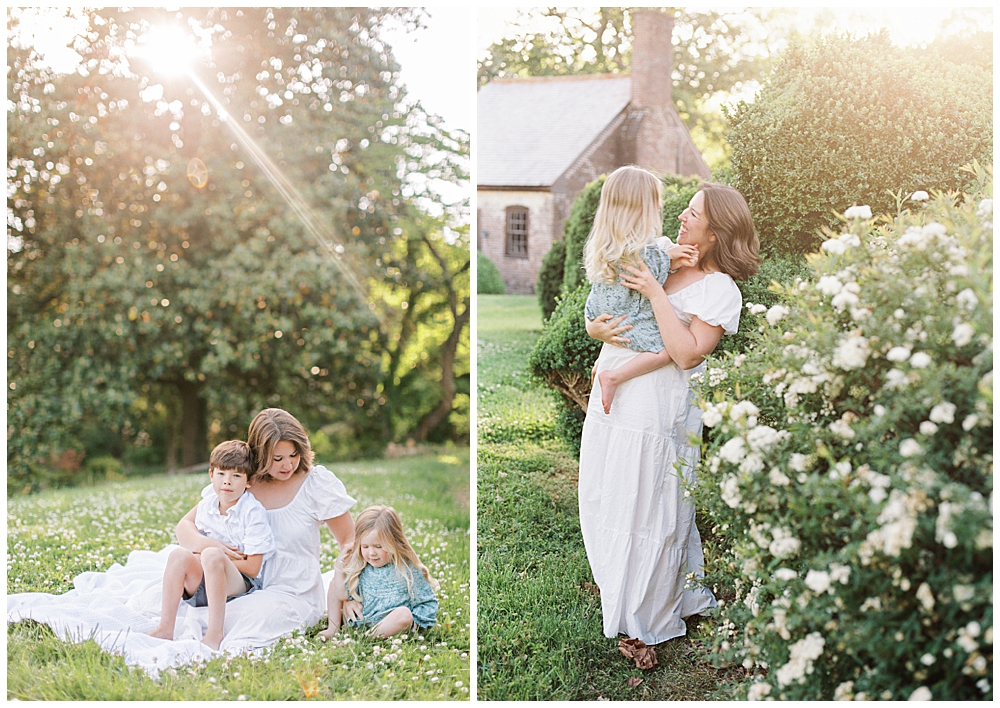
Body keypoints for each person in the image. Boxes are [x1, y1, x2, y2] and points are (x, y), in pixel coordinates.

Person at [8, 407, 358, 675]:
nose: (286, 464)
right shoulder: (241, 481)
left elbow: (349, 542)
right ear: (258, 454)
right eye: (276, 457)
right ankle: (168, 624)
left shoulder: (315, 482)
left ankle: (211, 630)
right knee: (166, 581)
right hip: (238, 577)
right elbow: (185, 526)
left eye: (293, 455)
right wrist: (211, 545)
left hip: (288, 588)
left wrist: (350, 591)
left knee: (253, 620)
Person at [580, 182, 760, 646]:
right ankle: (616, 585)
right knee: (609, 492)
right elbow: (606, 300)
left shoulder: (720, 290)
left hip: (656, 407)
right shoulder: (659, 252)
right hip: (613, 397)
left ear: (716, 232)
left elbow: (685, 355)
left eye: (694, 214)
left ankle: (649, 612)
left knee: (650, 503)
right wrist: (593, 327)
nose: (681, 217)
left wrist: (657, 295)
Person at [582, 166, 699, 413]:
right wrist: (671, 259)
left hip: (602, 313)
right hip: (626, 318)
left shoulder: (609, 243)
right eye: (655, 199)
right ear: (641, 207)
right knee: (668, 350)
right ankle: (613, 376)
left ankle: (606, 367)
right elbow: (649, 276)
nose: (660, 205)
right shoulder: (640, 249)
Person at [148, 440, 275, 650]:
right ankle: (165, 628)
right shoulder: (207, 504)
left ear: (249, 481)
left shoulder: (252, 512)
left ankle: (215, 634)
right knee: (178, 555)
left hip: (239, 583)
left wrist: (214, 556)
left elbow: (253, 568)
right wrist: (206, 552)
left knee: (212, 556)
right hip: (204, 584)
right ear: (211, 475)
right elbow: (184, 533)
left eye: (236, 476)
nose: (227, 482)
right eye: (221, 474)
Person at [320, 505, 438, 640]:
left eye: (379, 546)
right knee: (333, 583)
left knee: (404, 614)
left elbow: (427, 602)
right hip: (358, 619)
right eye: (365, 546)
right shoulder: (361, 564)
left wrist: (414, 624)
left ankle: (366, 639)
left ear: (394, 542)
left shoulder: (407, 569)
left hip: (389, 626)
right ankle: (332, 629)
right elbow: (340, 594)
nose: (371, 553)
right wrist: (339, 567)